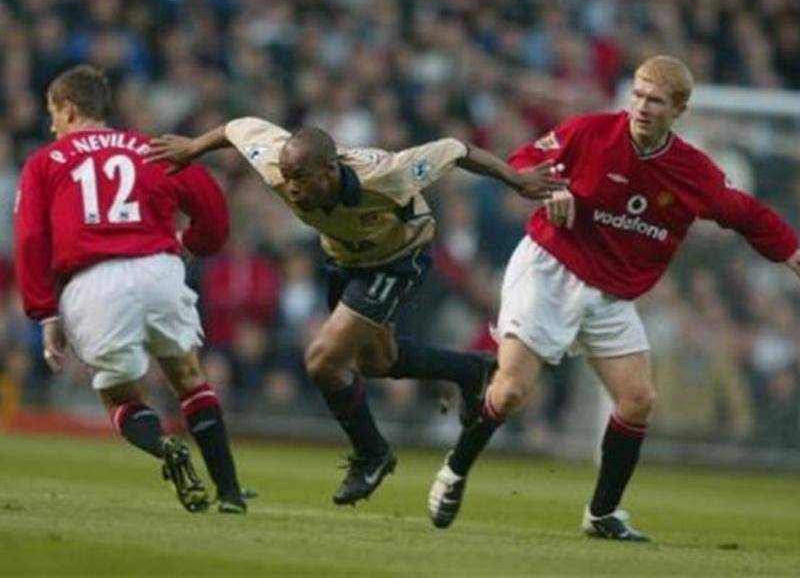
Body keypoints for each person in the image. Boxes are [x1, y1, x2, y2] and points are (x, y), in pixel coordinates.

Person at [426, 55, 800, 541]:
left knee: (638, 400)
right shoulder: (589, 132)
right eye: (638, 95)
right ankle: (454, 470)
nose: (642, 107)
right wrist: (548, 190)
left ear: (679, 110)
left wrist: (792, 253)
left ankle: (602, 513)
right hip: (549, 269)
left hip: (609, 296)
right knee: (513, 390)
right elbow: (522, 163)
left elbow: (749, 215)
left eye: (656, 101)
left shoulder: (693, 171)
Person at [146, 116, 564, 506]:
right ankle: (471, 371)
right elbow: (240, 127)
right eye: (287, 177)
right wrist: (193, 148)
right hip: (346, 260)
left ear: (330, 171)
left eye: (300, 178)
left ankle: (372, 454)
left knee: (322, 361)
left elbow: (456, 149)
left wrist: (515, 178)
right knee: (377, 362)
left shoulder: (387, 175)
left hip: (400, 257)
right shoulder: (276, 163)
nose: (290, 188)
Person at [14, 65, 247, 513]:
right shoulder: (152, 148)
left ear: (69, 108)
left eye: (53, 113)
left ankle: (164, 445)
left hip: (92, 282)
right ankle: (231, 492)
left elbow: (30, 240)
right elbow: (214, 213)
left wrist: (45, 313)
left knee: (120, 396)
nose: (52, 125)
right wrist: (190, 243)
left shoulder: (46, 161)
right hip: (158, 269)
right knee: (189, 378)